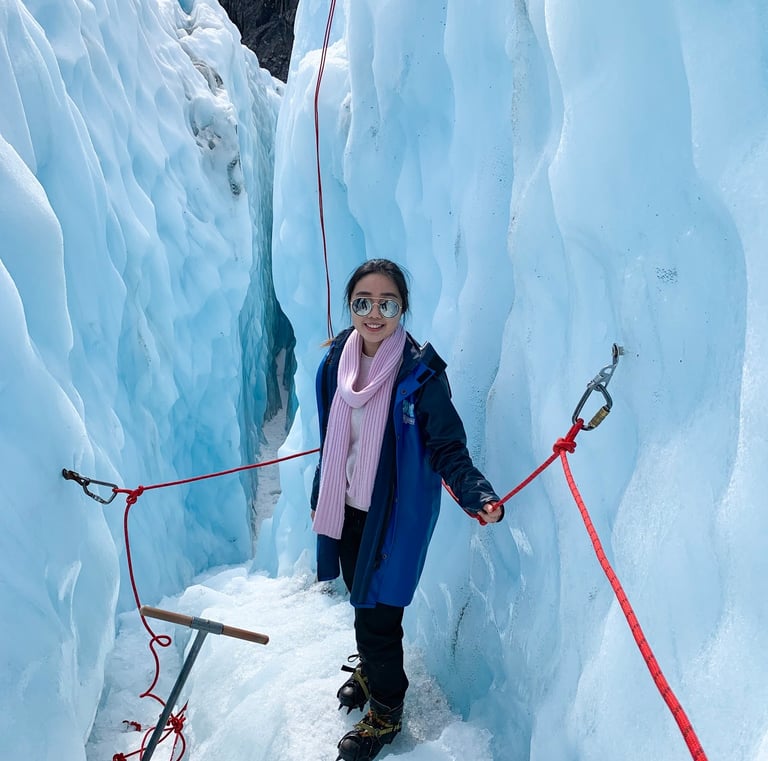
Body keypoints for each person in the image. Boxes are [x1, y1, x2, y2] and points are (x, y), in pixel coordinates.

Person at [310, 259, 503, 761]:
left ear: (402, 309)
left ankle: (387, 711)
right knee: (360, 595)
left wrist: (476, 493)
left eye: (387, 303)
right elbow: (333, 435)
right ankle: (372, 668)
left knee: (378, 613)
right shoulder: (337, 362)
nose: (374, 313)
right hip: (347, 508)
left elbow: (447, 449)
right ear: (350, 306)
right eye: (363, 303)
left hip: (392, 519)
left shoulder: (420, 375)